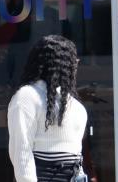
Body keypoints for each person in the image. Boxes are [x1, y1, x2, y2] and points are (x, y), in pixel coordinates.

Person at [8, 35, 88, 182]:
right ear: (62, 65)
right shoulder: (27, 97)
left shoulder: (76, 106)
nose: (76, 65)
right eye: (73, 61)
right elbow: (21, 153)